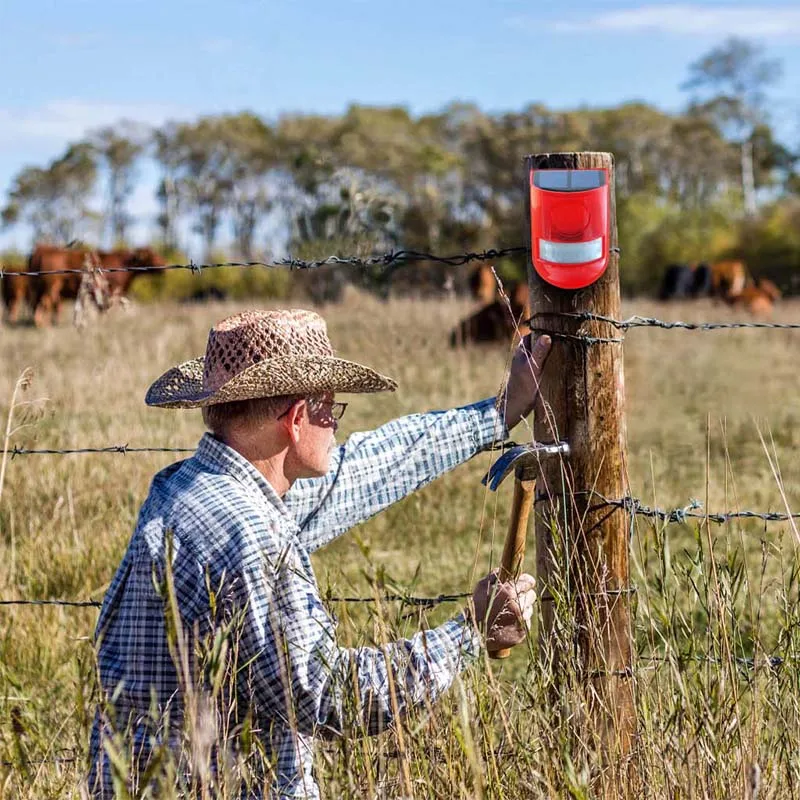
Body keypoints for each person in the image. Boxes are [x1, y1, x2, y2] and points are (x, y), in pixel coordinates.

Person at [87, 308, 550, 799]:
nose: (335, 425)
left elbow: (367, 469)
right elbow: (328, 695)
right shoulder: (250, 533)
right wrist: (470, 631)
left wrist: (497, 412)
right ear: (295, 419)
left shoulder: (190, 489)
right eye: (331, 409)